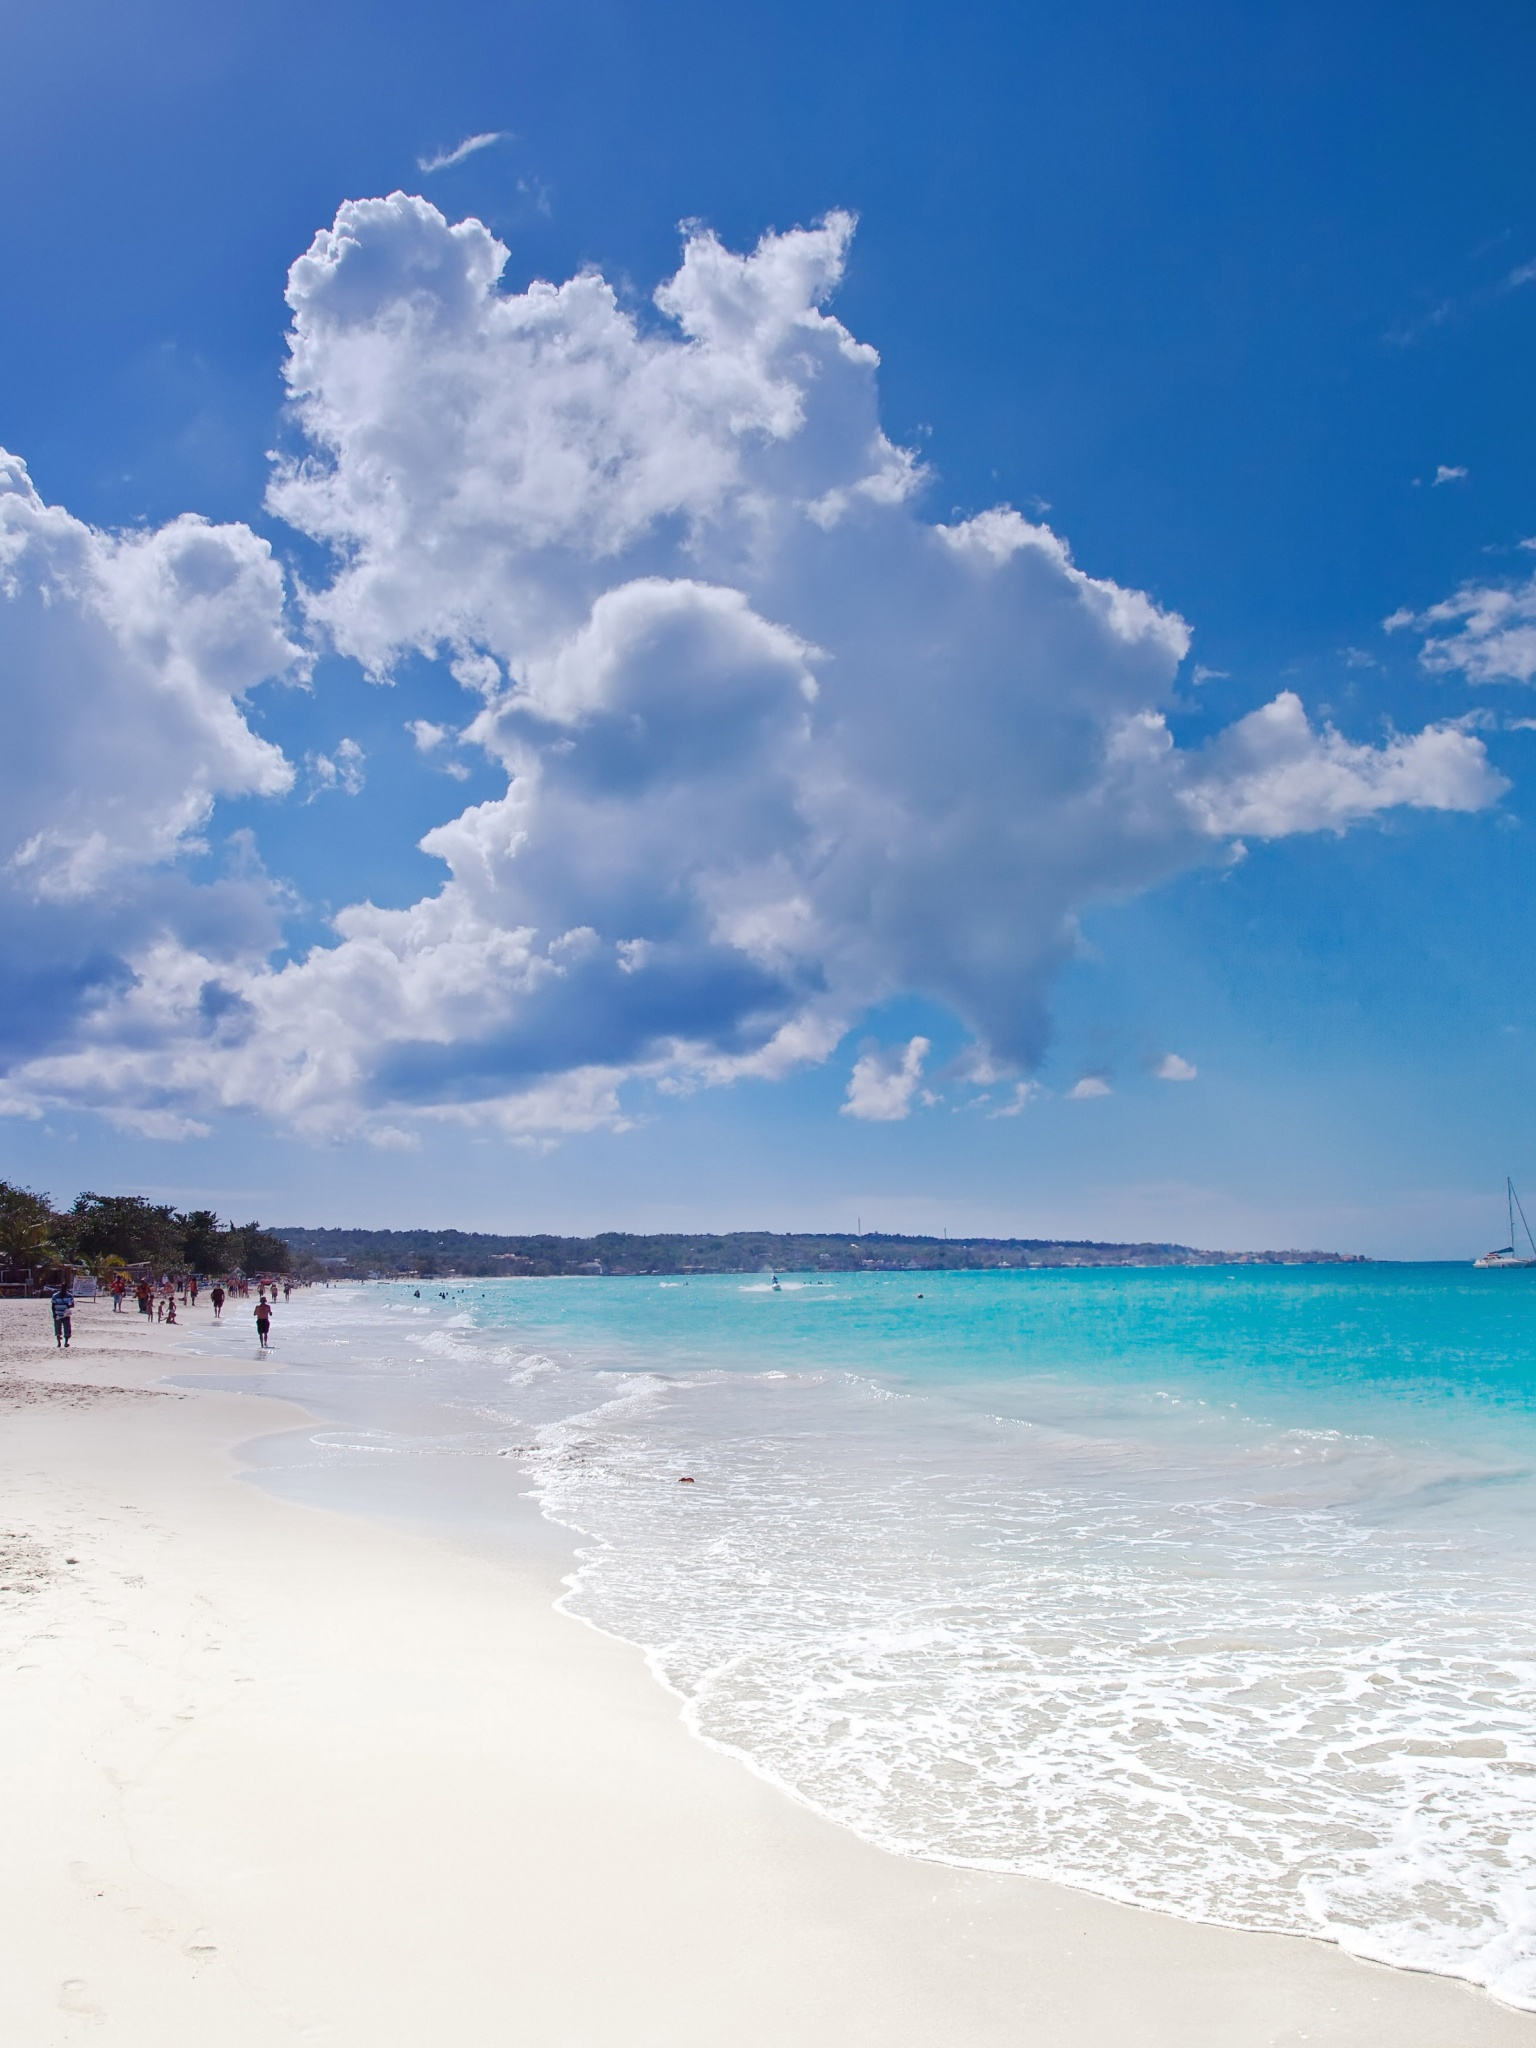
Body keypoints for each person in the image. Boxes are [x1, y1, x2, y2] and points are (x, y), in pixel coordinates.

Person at [50, 1280, 74, 1350]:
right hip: (59, 1314)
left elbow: (72, 1304)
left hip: (65, 1315)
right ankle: (60, 1343)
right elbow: (53, 1305)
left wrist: (69, 1305)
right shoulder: (57, 1296)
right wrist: (54, 1314)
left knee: (63, 1328)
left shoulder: (68, 1296)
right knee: (61, 1328)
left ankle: (64, 1342)